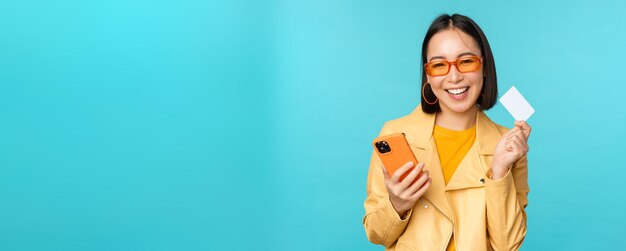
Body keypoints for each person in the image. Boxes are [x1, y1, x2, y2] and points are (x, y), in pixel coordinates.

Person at [363, 14, 531, 251]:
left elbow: (507, 245)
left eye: (466, 61)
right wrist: (397, 204)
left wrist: (499, 172)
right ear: (428, 75)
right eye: (439, 65)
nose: (454, 77)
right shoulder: (395, 134)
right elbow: (376, 234)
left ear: (484, 66)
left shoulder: (508, 146)